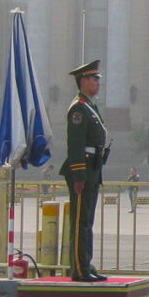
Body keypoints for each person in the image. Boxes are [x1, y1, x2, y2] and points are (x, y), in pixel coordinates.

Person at [59, 59, 109, 282]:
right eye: (94, 79)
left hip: (92, 168)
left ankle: (85, 263)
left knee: (86, 220)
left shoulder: (89, 106)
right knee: (80, 221)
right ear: (83, 81)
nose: (98, 83)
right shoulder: (78, 108)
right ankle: (78, 269)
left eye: (98, 79)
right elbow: (75, 144)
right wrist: (79, 175)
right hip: (83, 170)